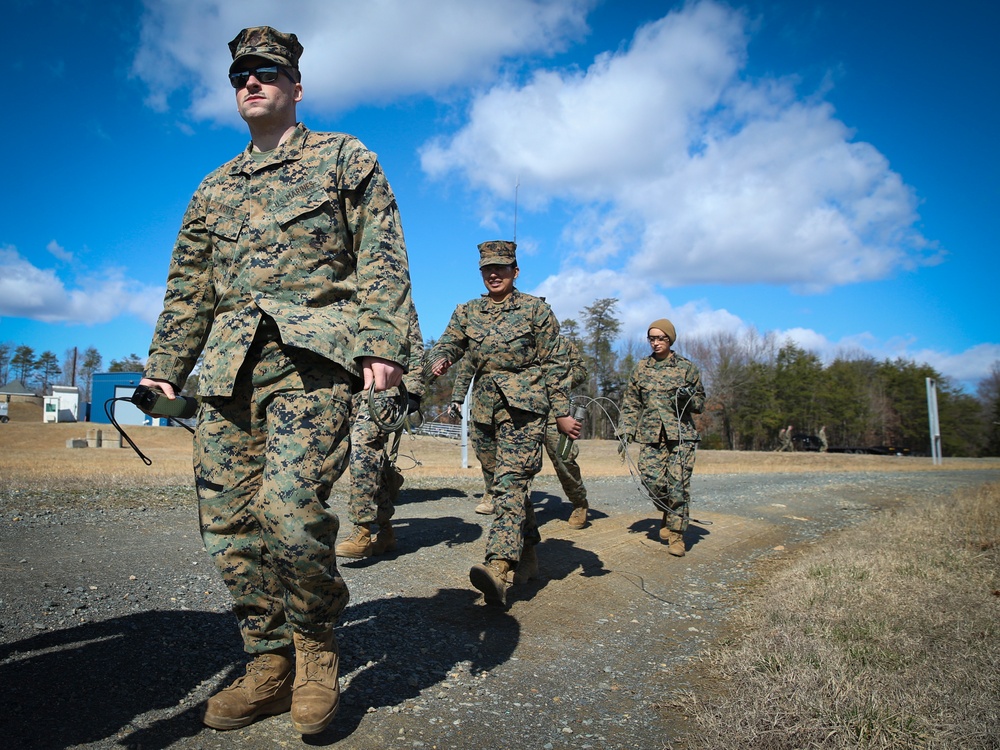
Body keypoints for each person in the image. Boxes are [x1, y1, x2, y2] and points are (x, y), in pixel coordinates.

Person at [138, 26, 413, 736]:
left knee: (290, 511)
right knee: (227, 523)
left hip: (312, 362)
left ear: (295, 85)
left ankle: (316, 648)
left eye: (265, 71)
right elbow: (188, 290)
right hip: (228, 373)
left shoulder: (343, 158)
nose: (250, 82)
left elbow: (381, 251)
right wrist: (165, 371)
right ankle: (268, 658)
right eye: (239, 75)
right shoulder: (213, 190)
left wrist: (382, 341)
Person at [429, 241, 580, 606]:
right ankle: (527, 550)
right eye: (487, 269)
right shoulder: (468, 311)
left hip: (525, 409)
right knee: (502, 486)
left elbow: (555, 363)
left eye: (501, 267)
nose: (494, 274)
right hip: (484, 411)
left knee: (511, 485)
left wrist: (561, 412)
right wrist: (443, 358)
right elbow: (450, 342)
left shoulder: (535, 310)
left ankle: (497, 567)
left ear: (516, 270)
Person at [450, 335, 591, 528]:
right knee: (500, 457)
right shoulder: (498, 337)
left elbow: (581, 370)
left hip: (551, 411)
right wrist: (458, 397)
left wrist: (549, 382)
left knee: (563, 458)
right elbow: (468, 364)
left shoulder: (558, 342)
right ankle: (495, 494)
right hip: (512, 411)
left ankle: (579, 502)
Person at [337, 304, 425, 559]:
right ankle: (385, 530)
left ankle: (361, 530)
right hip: (345, 384)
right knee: (369, 459)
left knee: (363, 450)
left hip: (381, 387)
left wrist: (415, 389)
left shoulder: (383, 284)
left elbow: (412, 338)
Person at [618, 319, 705, 557]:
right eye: (652, 338)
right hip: (650, 435)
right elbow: (631, 403)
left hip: (681, 437)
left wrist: (687, 398)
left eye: (661, 338)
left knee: (678, 485)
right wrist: (626, 431)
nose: (656, 343)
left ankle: (677, 535)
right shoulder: (641, 368)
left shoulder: (687, 368)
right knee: (652, 481)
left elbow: (699, 404)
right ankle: (667, 510)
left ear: (670, 340)